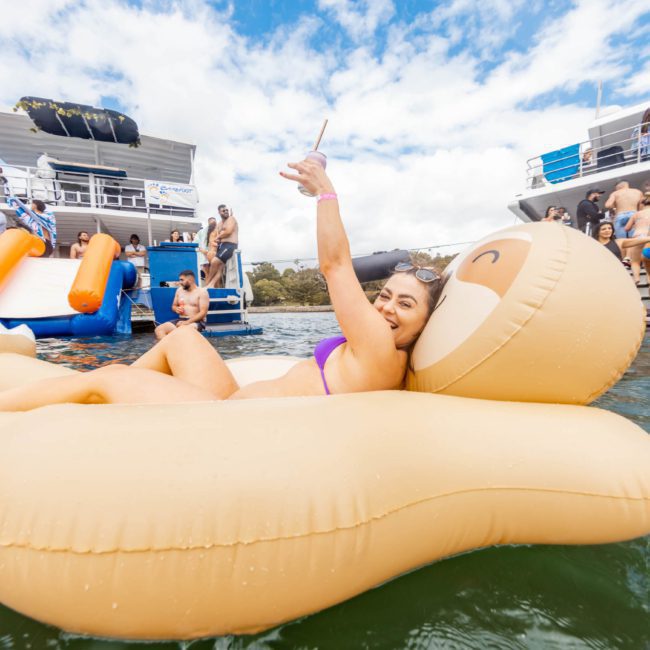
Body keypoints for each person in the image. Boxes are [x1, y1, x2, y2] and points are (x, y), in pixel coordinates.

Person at [0, 159, 442, 410]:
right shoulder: (378, 346)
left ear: (424, 323)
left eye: (405, 305)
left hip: (226, 422)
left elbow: (336, 265)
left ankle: (15, 411)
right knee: (182, 340)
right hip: (231, 399)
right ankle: (115, 417)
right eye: (385, 295)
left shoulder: (382, 350)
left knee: (112, 376)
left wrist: (325, 191)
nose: (385, 308)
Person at [154, 269, 209, 340]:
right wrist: (176, 309)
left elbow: (203, 313)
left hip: (196, 322)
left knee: (184, 331)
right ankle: (167, 349)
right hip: (181, 320)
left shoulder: (202, 292)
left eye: (182, 280)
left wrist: (187, 322)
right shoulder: (179, 290)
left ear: (191, 279)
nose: (180, 282)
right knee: (159, 329)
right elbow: (173, 306)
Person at [205, 205, 238, 289]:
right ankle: (211, 284)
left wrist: (218, 237)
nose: (226, 211)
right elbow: (220, 236)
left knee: (214, 262)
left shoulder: (231, 219)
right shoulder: (219, 224)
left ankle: (207, 284)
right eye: (223, 210)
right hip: (222, 246)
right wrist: (216, 241)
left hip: (230, 245)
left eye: (227, 210)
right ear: (219, 212)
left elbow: (228, 232)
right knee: (219, 268)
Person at [623, 193, 650, 284]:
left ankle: (637, 278)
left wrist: (636, 225)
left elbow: (626, 228)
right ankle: (648, 279)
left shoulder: (636, 214)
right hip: (648, 238)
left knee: (635, 261)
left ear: (642, 203)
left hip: (637, 237)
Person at [195, 217, 216, 281]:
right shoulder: (202, 232)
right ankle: (208, 289)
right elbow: (195, 242)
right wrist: (201, 250)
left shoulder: (217, 231)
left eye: (214, 222)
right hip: (204, 256)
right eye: (212, 222)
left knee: (214, 275)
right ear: (208, 223)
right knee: (207, 274)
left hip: (214, 255)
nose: (214, 224)